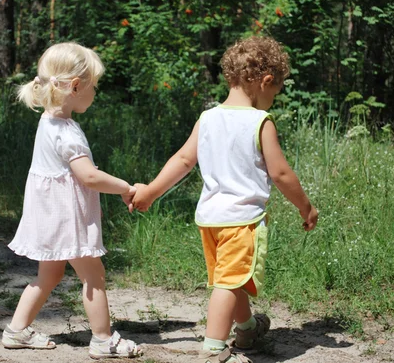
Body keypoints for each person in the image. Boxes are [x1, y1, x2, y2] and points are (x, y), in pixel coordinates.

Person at [132, 36, 318, 363]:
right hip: (241, 221)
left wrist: (150, 190)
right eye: (276, 90)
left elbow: (183, 161)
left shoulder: (208, 118)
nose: (274, 97)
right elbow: (282, 174)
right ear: (265, 81)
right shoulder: (260, 122)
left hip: (210, 220)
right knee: (228, 285)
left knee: (232, 280)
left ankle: (246, 329)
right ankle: (213, 348)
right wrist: (305, 206)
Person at [2, 42, 142, 359]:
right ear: (76, 86)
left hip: (47, 214)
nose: (96, 92)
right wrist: (124, 187)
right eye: (94, 85)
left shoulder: (47, 123)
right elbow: (89, 176)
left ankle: (16, 330)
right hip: (67, 218)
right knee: (94, 276)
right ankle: (103, 340)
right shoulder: (67, 131)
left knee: (48, 275)